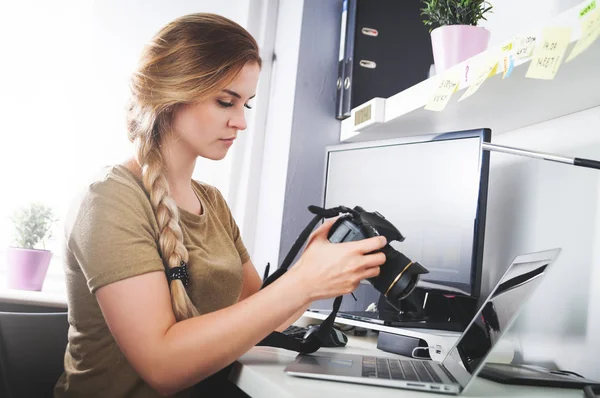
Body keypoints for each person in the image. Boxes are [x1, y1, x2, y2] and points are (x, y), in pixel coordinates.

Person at [54, 13, 386, 398]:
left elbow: (259, 317)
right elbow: (162, 365)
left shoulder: (211, 202)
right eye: (226, 102)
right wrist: (301, 283)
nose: (241, 123)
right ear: (172, 94)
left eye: (246, 104)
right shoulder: (109, 201)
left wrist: (313, 277)